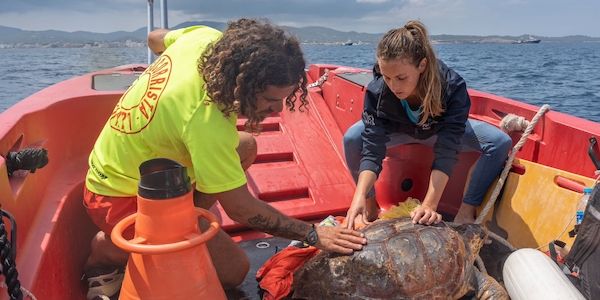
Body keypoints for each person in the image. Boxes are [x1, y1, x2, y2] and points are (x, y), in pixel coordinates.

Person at [83, 19, 366, 300]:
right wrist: (314, 234)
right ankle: (110, 251)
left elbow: (155, 38)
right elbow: (241, 209)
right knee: (232, 271)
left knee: (245, 145)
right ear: (241, 85)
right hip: (119, 195)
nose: (279, 108)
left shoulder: (205, 40)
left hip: (142, 166)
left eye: (284, 97)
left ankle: (183, 222)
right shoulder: (207, 123)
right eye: (269, 99)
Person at [343, 20, 512, 229]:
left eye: (401, 77)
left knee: (499, 142)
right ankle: (369, 206)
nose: (393, 86)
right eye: (387, 77)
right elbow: (372, 150)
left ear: (421, 65)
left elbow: (448, 149)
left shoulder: (451, 87)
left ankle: (467, 210)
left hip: (438, 132)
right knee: (353, 138)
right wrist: (358, 197)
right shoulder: (377, 91)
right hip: (400, 130)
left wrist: (429, 205)